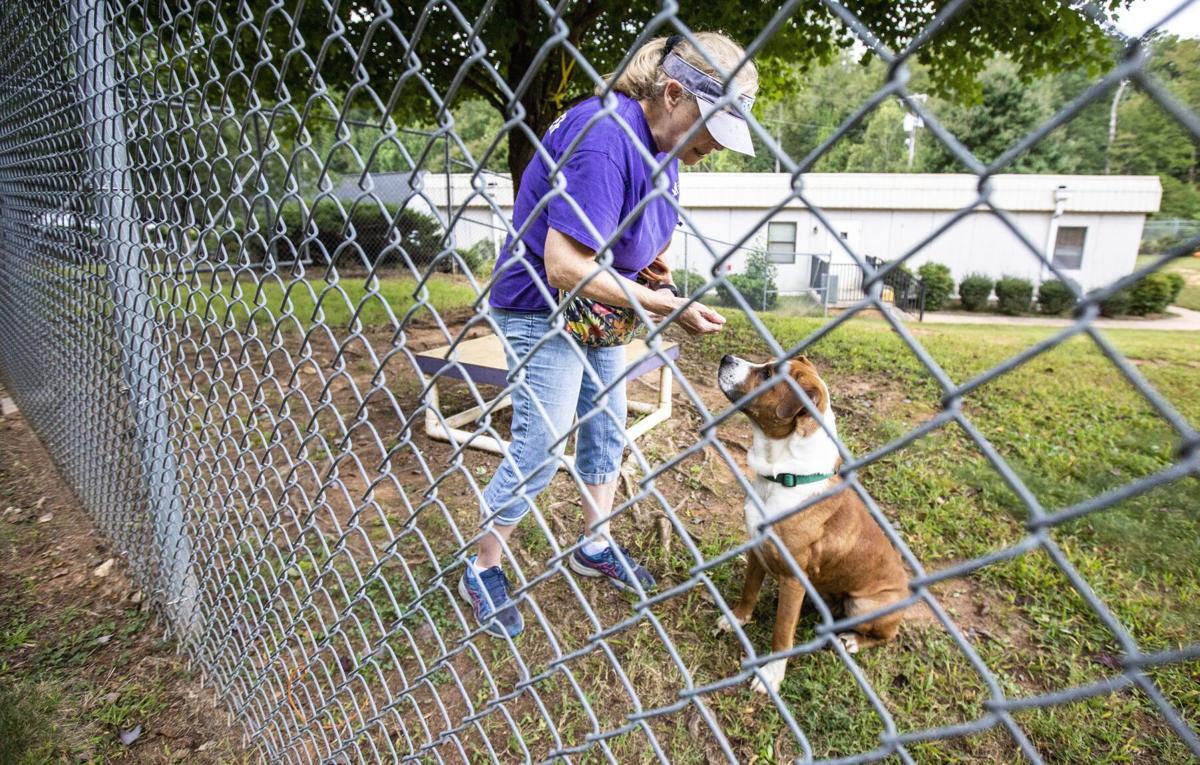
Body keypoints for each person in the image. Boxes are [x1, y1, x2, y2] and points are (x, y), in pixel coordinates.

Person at [460, 32, 759, 638]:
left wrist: (660, 281)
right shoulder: (606, 134)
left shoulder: (667, 150)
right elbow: (566, 265)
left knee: (607, 428)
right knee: (541, 444)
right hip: (542, 305)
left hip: (599, 309)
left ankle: (594, 546)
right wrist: (660, 307)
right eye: (711, 131)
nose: (713, 149)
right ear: (673, 94)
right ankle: (481, 565)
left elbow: (642, 239)